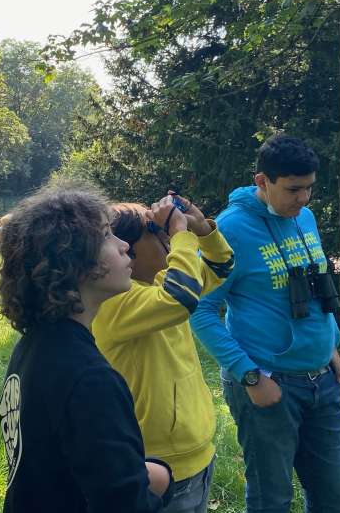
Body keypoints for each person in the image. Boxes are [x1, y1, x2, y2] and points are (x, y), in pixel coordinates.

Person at [0, 182, 174, 513]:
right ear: (72, 261)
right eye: (106, 235)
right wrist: (161, 478)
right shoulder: (90, 379)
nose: (124, 247)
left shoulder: (35, 346)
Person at [192, 134, 340, 513]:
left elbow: (309, 287)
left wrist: (329, 346)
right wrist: (250, 376)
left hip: (322, 382)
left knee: (333, 495)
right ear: (262, 181)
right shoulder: (229, 230)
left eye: (310, 188)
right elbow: (199, 310)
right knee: (271, 499)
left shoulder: (304, 218)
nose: (305, 199)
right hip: (268, 383)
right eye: (294, 189)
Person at [92, 194, 234, 513]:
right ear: (127, 248)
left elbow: (221, 266)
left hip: (197, 454)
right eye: (158, 233)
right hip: (158, 466)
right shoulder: (114, 303)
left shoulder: (160, 284)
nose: (168, 242)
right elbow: (181, 297)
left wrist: (202, 230)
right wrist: (181, 235)